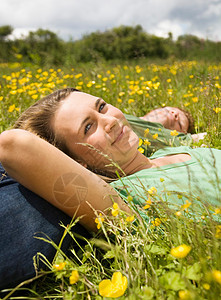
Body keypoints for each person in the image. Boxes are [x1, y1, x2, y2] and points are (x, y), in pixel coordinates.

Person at [0, 88, 219, 289]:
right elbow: (12, 145)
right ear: (77, 163)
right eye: (88, 127)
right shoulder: (123, 200)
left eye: (102, 106)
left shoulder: (174, 151)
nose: (110, 120)